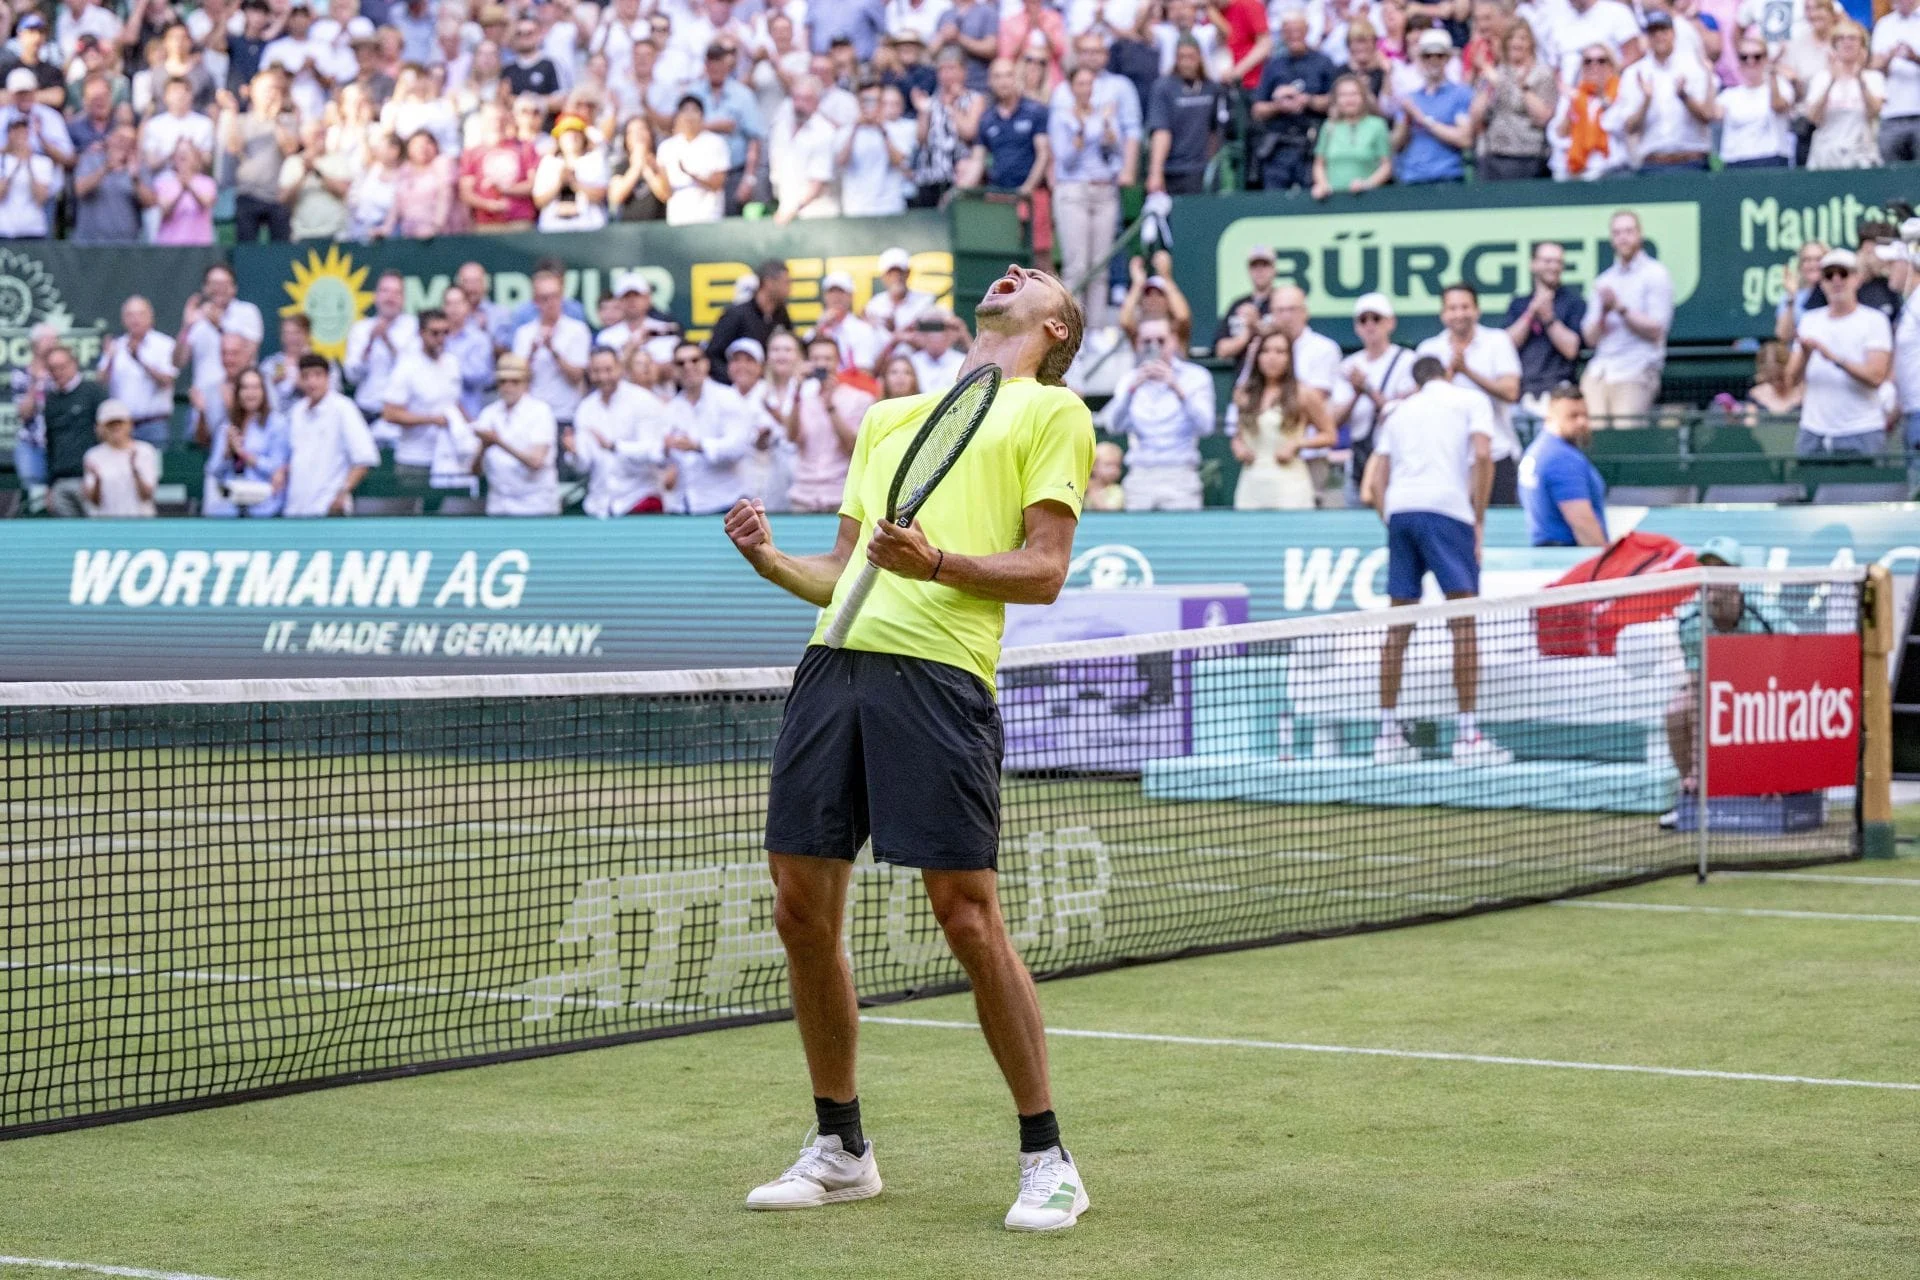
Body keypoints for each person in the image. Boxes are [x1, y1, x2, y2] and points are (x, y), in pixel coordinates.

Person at [723, 262, 1092, 1232]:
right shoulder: (889, 419)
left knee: (966, 916)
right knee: (800, 908)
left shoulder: (1052, 413)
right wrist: (771, 559)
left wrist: (939, 562)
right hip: (833, 663)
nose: (1010, 273)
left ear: (1055, 325)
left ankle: (1047, 1153)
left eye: (1034, 277)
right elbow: (843, 571)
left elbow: (1046, 569)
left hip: (940, 674)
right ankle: (841, 1145)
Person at [1360, 355, 1510, 768]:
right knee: (1463, 622)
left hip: (1402, 513)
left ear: (1415, 381)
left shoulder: (1397, 411)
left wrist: (1391, 519)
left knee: (1397, 626)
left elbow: (1375, 483)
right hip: (1448, 512)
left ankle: (1387, 734)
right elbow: (1482, 457)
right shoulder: (1469, 400)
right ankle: (1467, 736)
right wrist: (1477, 518)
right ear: (1446, 374)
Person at [1659, 536, 1787, 830]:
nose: (1713, 577)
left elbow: (1790, 682)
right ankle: (1691, 795)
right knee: (1678, 711)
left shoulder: (1767, 617)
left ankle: (1789, 785)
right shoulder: (1690, 620)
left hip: (1766, 693)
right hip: (1715, 693)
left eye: (1721, 568)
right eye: (1707, 568)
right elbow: (1697, 688)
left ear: (1737, 576)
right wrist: (1695, 768)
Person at [1414, 282, 1523, 505]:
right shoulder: (1429, 348)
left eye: (1465, 307)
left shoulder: (1498, 341)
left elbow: (1511, 392)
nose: (1459, 314)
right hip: (1446, 459)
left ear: (1477, 310)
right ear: (1443, 314)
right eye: (1452, 308)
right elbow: (1421, 401)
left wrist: (1468, 372)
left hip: (1495, 454)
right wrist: (1449, 375)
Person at [1789, 247, 1893, 456]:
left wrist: (1834, 358)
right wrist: (1806, 355)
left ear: (1857, 279)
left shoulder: (1874, 320)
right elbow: (1791, 379)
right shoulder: (1809, 320)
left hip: (1862, 431)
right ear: (1822, 282)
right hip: (1814, 432)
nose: (1836, 280)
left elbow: (1876, 376)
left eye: (1843, 273)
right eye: (1829, 275)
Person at [1106, 315, 1214, 509]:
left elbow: (1206, 426)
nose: (1154, 346)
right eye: (1147, 341)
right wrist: (1132, 390)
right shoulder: (1129, 379)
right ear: (1138, 343)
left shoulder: (1196, 377)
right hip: (1141, 475)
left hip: (1181, 476)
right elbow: (1113, 425)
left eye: (1161, 340)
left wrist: (1177, 388)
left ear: (1173, 341)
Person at [1580, 211, 1673, 426]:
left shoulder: (1656, 274)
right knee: (1592, 434)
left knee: (1625, 433)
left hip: (1638, 369)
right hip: (1600, 371)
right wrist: (1604, 312)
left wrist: (1620, 308)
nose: (1623, 237)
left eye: (1629, 231)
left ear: (1640, 235)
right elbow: (1590, 339)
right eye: (1617, 232)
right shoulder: (1604, 281)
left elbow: (1657, 329)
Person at [1048, 64, 1124, 327]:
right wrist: (1080, 133)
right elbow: (1064, 160)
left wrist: (1108, 134)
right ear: (1071, 87)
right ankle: (1071, 331)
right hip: (1074, 190)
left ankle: (1098, 327)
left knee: (1099, 266)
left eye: (1090, 84)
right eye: (1081, 84)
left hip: (1104, 190)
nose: (1086, 89)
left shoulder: (1105, 115)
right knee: (1076, 266)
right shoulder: (1063, 117)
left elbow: (1117, 153)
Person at [1230, 334, 1335, 510]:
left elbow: (1329, 435)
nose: (1272, 357)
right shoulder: (1243, 393)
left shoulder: (1303, 393)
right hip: (1251, 483)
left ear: (1289, 358)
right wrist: (1238, 446)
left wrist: (1297, 443)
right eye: (1266, 351)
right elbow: (1239, 433)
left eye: (1280, 352)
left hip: (1289, 485)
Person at [1331, 292, 1416, 504]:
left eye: (1376, 319)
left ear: (1390, 323)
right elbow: (1334, 420)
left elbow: (1403, 413)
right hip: (1360, 462)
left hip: (1399, 461)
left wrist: (1367, 389)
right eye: (1363, 320)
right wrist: (1356, 394)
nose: (1370, 325)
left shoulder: (1407, 361)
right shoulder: (1348, 365)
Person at [664, 342, 758, 514]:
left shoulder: (728, 397)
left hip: (725, 504)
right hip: (684, 505)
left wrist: (698, 446)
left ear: (706, 363)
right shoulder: (672, 408)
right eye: (681, 363)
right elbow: (666, 459)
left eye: (694, 360)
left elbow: (738, 446)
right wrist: (665, 451)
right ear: (674, 369)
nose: (688, 367)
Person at [282, 353, 379, 518]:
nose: (312, 382)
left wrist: (342, 493)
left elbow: (364, 458)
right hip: (295, 510)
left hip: (328, 510)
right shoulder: (296, 412)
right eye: (306, 376)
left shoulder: (343, 408)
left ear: (327, 377)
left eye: (317, 375)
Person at [786, 334, 876, 511]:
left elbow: (853, 446)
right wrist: (796, 390)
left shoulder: (859, 399)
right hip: (804, 493)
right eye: (816, 359)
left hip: (840, 494)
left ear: (838, 362)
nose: (822, 364)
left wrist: (830, 407)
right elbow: (791, 437)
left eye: (828, 358)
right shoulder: (802, 398)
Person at [1616, 10, 1713, 172]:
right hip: (1654, 163)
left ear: (1673, 33)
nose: (1659, 36)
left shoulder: (1693, 67)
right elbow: (1629, 127)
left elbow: (1707, 115)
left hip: (1692, 160)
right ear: (1647, 37)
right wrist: (1646, 100)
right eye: (1653, 31)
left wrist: (1684, 96)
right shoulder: (1634, 73)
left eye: (1663, 30)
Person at [1249, 9, 1334, 191]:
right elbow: (1258, 109)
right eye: (1289, 31)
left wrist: (1307, 100)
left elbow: (1334, 101)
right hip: (1279, 144)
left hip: (1314, 144)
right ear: (1282, 34)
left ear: (1307, 30)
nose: (1294, 35)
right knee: (1275, 200)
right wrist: (1279, 106)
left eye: (1298, 30)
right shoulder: (1274, 65)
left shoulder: (1323, 62)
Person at [1502, 241, 1585, 418]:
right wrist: (1530, 313)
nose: (1553, 267)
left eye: (1558, 262)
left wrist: (1548, 318)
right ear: (1533, 264)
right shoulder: (1519, 304)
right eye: (1547, 261)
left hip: (1559, 391)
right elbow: (1506, 345)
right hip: (1521, 392)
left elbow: (1571, 349)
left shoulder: (1573, 303)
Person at [471, 353, 561, 516]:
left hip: (536, 504)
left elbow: (536, 462)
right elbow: (474, 471)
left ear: (526, 383)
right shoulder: (489, 413)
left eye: (515, 381)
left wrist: (498, 441)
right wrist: (483, 447)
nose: (508, 387)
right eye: (503, 381)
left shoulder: (540, 412)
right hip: (499, 503)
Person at [1518, 384, 1606, 548]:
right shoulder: (1562, 458)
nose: (1582, 422)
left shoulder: (1538, 449)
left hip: (1547, 553)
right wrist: (1606, 565)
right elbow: (1583, 524)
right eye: (1572, 416)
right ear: (1550, 416)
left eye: (1585, 415)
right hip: (1569, 556)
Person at [381, 307, 462, 482]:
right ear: (421, 333)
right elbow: (390, 413)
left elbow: (454, 402)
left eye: (445, 332)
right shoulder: (407, 367)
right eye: (435, 333)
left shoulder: (452, 363)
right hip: (414, 458)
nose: (441, 339)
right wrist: (432, 420)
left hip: (447, 454)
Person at [1470, 20, 1554, 180]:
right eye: (1511, 38)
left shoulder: (1542, 74)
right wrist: (1486, 85)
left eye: (1522, 38)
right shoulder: (1494, 72)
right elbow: (1476, 116)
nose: (1516, 43)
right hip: (1494, 153)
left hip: (1528, 154)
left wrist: (1522, 87)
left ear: (1531, 43)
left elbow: (1543, 117)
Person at [204, 368, 292, 518]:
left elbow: (276, 467)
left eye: (256, 387)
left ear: (263, 392)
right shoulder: (227, 425)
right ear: (238, 392)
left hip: (265, 508)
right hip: (231, 508)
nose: (250, 393)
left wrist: (244, 455)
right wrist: (227, 452)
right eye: (245, 388)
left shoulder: (277, 423)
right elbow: (213, 470)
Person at [1144, 36, 1226, 196]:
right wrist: (1155, 172)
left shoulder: (1212, 88)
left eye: (1191, 57)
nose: (1186, 62)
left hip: (1202, 171)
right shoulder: (1164, 88)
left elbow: (1214, 131)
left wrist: (1210, 163)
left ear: (1200, 57)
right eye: (1181, 57)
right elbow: (1161, 131)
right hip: (1172, 170)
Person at [1391, 28, 1474, 185]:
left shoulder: (1460, 94)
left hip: (1447, 177)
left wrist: (1423, 119)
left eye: (1439, 55)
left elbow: (1464, 138)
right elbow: (1396, 143)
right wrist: (1406, 121)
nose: (1433, 60)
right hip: (1412, 177)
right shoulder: (1411, 98)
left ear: (1448, 58)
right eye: (1427, 56)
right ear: (1420, 59)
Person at [512, 269, 592, 427]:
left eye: (555, 296)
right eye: (544, 298)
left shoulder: (578, 330)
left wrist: (553, 350)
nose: (551, 303)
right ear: (535, 301)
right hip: (532, 416)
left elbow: (577, 377)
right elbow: (517, 378)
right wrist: (532, 353)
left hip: (566, 414)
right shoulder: (523, 333)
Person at [100, 296, 177, 449]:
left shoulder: (164, 344)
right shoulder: (116, 346)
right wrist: (109, 359)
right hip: (121, 427)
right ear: (123, 319)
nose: (135, 319)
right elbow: (101, 382)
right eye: (130, 315)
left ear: (151, 317)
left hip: (154, 424)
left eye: (140, 314)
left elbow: (167, 381)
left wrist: (139, 359)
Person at [1805, 20, 1884, 169]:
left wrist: (1860, 78)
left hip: (1862, 154)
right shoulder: (1821, 78)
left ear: (1862, 45)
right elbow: (1813, 117)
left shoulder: (1873, 78)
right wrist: (1831, 82)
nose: (1847, 43)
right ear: (1834, 45)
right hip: (1826, 155)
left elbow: (1874, 113)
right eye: (1841, 38)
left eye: (1852, 38)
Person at [43, 345, 109, 518]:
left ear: (74, 364)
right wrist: (50, 486)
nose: (57, 372)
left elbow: (108, 435)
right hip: (61, 480)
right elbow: (50, 443)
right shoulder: (51, 400)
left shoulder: (93, 392)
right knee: (66, 537)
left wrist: (101, 478)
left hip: (91, 478)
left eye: (62, 367)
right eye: (52, 369)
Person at [1715, 36, 1794, 167]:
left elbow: (1778, 106)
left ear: (1765, 59)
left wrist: (1772, 73)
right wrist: (1708, 73)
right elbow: (1711, 115)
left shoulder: (1781, 85)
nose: (1751, 62)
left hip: (1771, 158)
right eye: (1744, 57)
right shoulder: (1729, 95)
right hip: (1736, 161)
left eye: (1757, 57)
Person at [708, 262, 795, 380]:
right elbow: (713, 356)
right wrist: (736, 381)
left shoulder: (781, 314)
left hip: (771, 387)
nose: (790, 288)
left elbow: (794, 345)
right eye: (786, 282)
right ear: (769, 283)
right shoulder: (737, 314)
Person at [651, 95, 729, 225]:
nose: (689, 116)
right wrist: (653, 171)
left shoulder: (716, 143)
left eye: (694, 110)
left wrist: (690, 174)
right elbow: (665, 193)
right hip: (677, 219)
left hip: (708, 217)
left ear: (702, 116)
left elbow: (717, 183)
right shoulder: (667, 147)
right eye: (685, 111)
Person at [82, 400, 160, 518]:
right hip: (105, 525)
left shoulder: (145, 451)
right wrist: (98, 479)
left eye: (120, 423)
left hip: (140, 524)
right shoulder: (93, 455)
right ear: (101, 427)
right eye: (110, 424)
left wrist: (135, 470)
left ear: (129, 424)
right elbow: (93, 501)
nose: (116, 428)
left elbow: (147, 495)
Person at [1872, 0, 1920, 164]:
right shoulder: (1884, 25)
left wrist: (1915, 58)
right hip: (1891, 113)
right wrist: (1888, 57)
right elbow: (1874, 66)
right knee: (1892, 177)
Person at [1213, 244, 1278, 364]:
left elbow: (1288, 339)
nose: (1259, 270)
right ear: (1249, 270)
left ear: (1274, 269)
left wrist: (1256, 325)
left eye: (1265, 265)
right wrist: (1245, 335)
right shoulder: (1238, 305)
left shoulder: (1281, 302)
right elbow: (1221, 349)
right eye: (1254, 266)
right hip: (1243, 374)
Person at [909, 308, 967, 391]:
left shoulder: (963, 362)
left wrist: (963, 333)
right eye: (929, 328)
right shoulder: (910, 363)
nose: (935, 335)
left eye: (940, 328)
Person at [1746, 339, 1804, 417]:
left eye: (1780, 377)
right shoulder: (1754, 396)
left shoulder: (1805, 393)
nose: (1776, 383)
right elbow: (1750, 423)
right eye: (1770, 379)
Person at [1085, 439, 1125, 510]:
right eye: (1108, 465)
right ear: (1094, 466)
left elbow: (1108, 514)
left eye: (1118, 465)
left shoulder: (1116, 491)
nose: (1114, 470)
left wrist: (1092, 491)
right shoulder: (1084, 486)